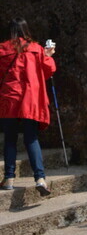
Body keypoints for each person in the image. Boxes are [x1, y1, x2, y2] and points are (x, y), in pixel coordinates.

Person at [0, 18, 56, 196]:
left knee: (9, 139)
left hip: (9, 98)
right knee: (31, 138)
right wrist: (48, 56)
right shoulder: (36, 49)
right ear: (26, 30)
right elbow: (48, 71)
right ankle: (40, 178)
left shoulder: (2, 49)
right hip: (29, 100)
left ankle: (9, 178)